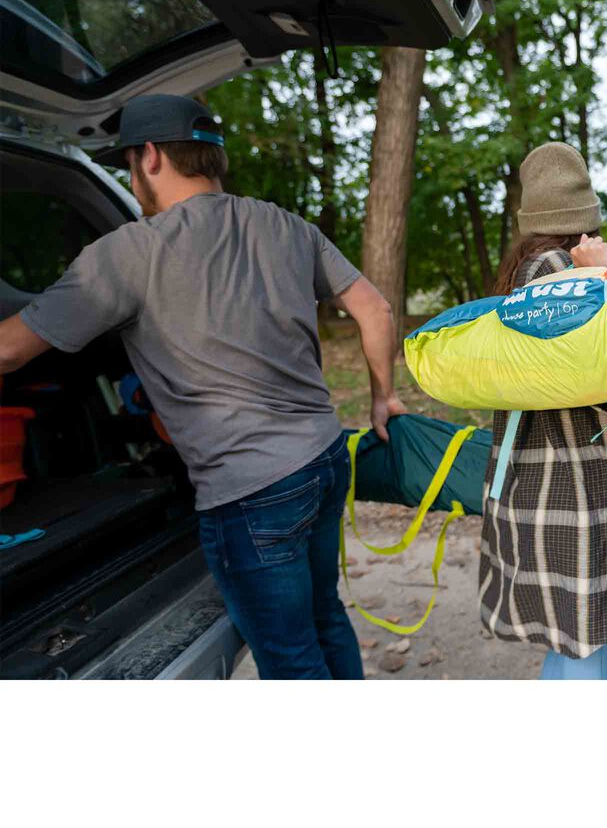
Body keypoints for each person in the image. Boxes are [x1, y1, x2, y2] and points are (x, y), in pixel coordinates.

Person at [0, 94, 406, 680]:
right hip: (321, 460)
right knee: (324, 616)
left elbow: (11, 349)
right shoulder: (284, 224)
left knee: (291, 656)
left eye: (129, 167)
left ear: (150, 157)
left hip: (249, 492)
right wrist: (381, 396)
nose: (133, 180)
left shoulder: (127, 253)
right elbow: (376, 308)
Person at [479, 142, 607, 679]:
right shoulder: (561, 272)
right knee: (593, 637)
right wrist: (603, 275)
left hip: (547, 482)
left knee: (572, 640)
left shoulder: (524, 269)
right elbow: (601, 367)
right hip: (582, 487)